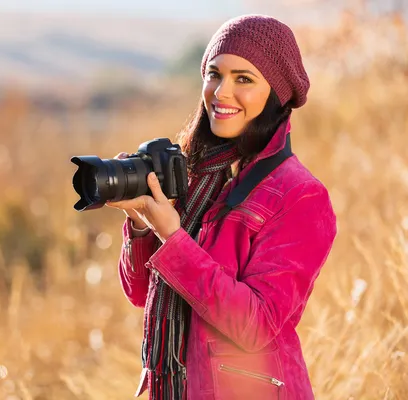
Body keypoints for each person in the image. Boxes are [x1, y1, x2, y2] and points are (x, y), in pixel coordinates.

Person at [106, 14, 337, 400]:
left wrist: (173, 236)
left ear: (276, 95)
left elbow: (256, 324)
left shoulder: (300, 195)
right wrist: (142, 226)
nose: (221, 92)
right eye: (214, 74)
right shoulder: (189, 172)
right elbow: (142, 293)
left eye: (243, 79)